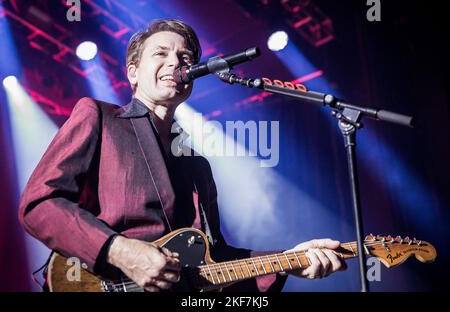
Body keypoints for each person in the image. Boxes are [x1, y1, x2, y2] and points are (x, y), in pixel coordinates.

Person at [18, 19, 346, 292]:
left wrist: (290, 260)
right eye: (161, 53)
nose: (176, 63)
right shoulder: (100, 117)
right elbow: (39, 203)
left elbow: (212, 257)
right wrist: (120, 251)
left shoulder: (197, 165)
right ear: (133, 73)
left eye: (186, 58)